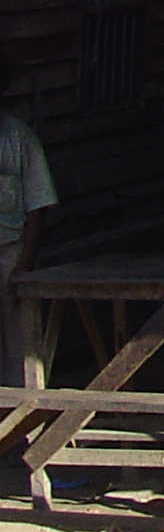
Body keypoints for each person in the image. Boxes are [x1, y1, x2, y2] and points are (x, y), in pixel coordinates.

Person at [0, 62, 57, 385]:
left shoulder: (19, 137)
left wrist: (25, 262)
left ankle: (20, 425)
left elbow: (38, 203)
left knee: (19, 346)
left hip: (10, 253)